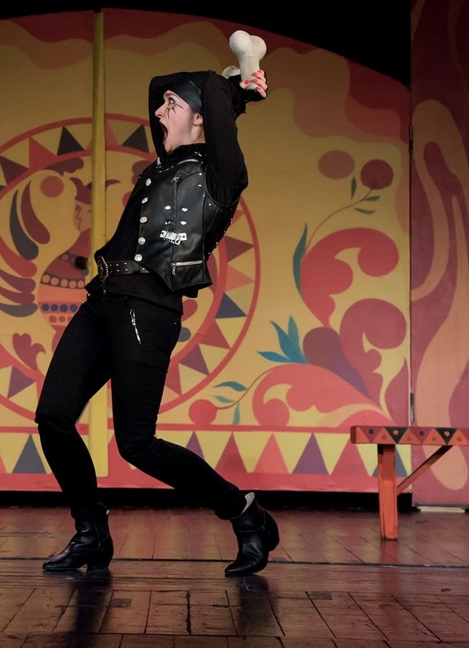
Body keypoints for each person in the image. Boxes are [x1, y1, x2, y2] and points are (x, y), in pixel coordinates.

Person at [34, 51, 277, 577]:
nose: (159, 111)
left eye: (173, 105)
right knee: (52, 415)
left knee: (136, 443)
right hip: (103, 302)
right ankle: (91, 532)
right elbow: (160, 88)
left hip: (149, 310)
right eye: (162, 104)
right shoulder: (161, 166)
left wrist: (232, 90)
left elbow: (210, 103)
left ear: (201, 118)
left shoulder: (221, 173)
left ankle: (244, 513)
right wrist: (226, 93)